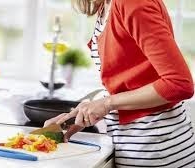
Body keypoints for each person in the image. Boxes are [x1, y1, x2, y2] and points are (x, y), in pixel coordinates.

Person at [44, 0, 195, 167]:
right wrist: (77, 116)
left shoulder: (133, 3)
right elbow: (130, 84)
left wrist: (107, 103)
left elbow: (179, 84)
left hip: (156, 150)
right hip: (132, 146)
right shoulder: (106, 6)